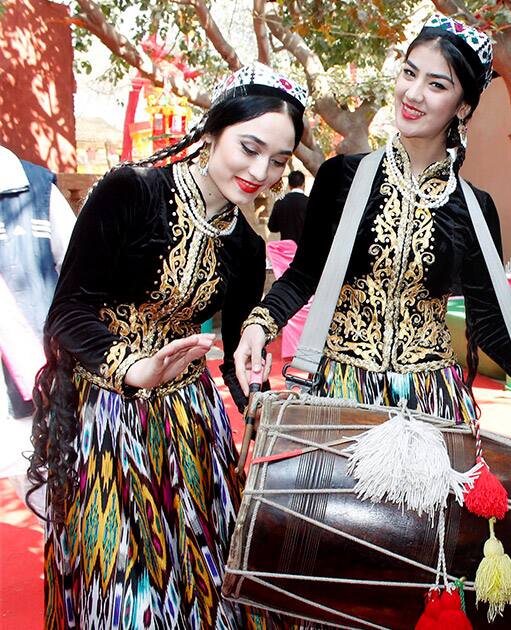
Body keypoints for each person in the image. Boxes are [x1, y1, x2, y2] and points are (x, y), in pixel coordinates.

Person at [28, 62, 308, 628]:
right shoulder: (131, 191)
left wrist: (259, 399)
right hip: (107, 416)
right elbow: (67, 311)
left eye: (279, 161)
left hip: (192, 426)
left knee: (205, 583)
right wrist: (132, 368)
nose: (261, 171)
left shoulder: (247, 246)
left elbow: (232, 357)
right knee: (122, 587)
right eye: (249, 147)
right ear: (212, 132)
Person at [235, 14, 511, 420]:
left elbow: (489, 324)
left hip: (430, 404)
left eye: (437, 85)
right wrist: (259, 325)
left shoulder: (475, 208)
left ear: (464, 107)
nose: (414, 93)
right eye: (410, 73)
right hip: (340, 393)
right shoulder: (341, 178)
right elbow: (303, 276)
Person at [0, 146, 76, 516]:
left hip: (33, 360)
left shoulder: (33, 187)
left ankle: (69, 556)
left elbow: (80, 271)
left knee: (45, 471)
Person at [268, 169, 308, 243]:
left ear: (289, 185)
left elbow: (272, 227)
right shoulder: (309, 202)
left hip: (286, 250)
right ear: (303, 184)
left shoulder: (280, 202)